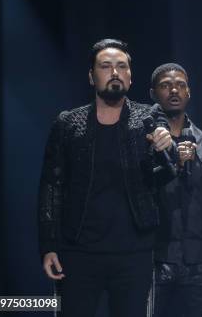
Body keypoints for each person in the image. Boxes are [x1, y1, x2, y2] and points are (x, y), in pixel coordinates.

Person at [37, 39, 174, 317]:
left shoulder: (149, 117)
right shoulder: (68, 123)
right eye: (106, 66)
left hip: (134, 253)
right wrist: (48, 245)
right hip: (78, 252)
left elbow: (166, 176)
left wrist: (164, 148)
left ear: (130, 76)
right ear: (91, 76)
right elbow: (51, 186)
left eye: (121, 67)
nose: (114, 72)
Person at [149, 63, 202, 317]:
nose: (174, 90)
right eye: (166, 85)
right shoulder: (142, 140)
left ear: (189, 93)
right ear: (153, 94)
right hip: (155, 260)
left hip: (198, 260)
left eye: (180, 84)